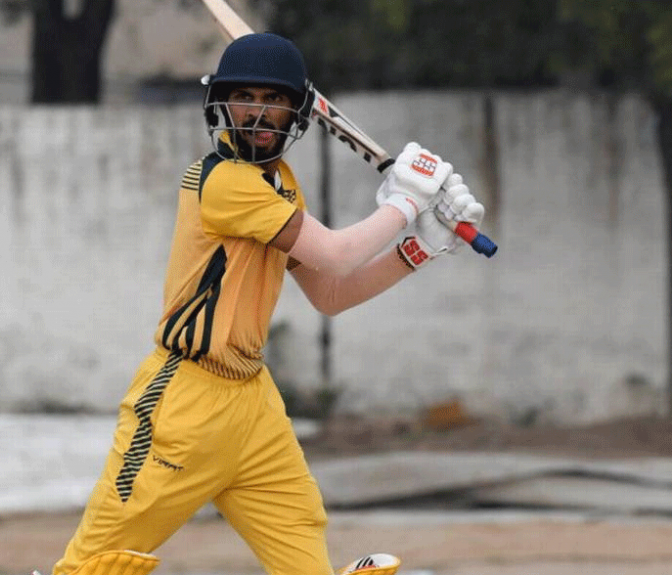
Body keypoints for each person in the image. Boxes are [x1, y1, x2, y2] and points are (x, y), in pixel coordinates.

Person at [47, 32, 484, 575]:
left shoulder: (280, 185)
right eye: (245, 97)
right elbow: (337, 255)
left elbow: (330, 294)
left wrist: (419, 248)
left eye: (273, 99)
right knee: (93, 566)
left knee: (306, 562)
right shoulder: (223, 181)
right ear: (222, 104)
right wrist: (405, 202)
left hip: (253, 406)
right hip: (184, 402)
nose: (257, 112)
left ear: (296, 111)